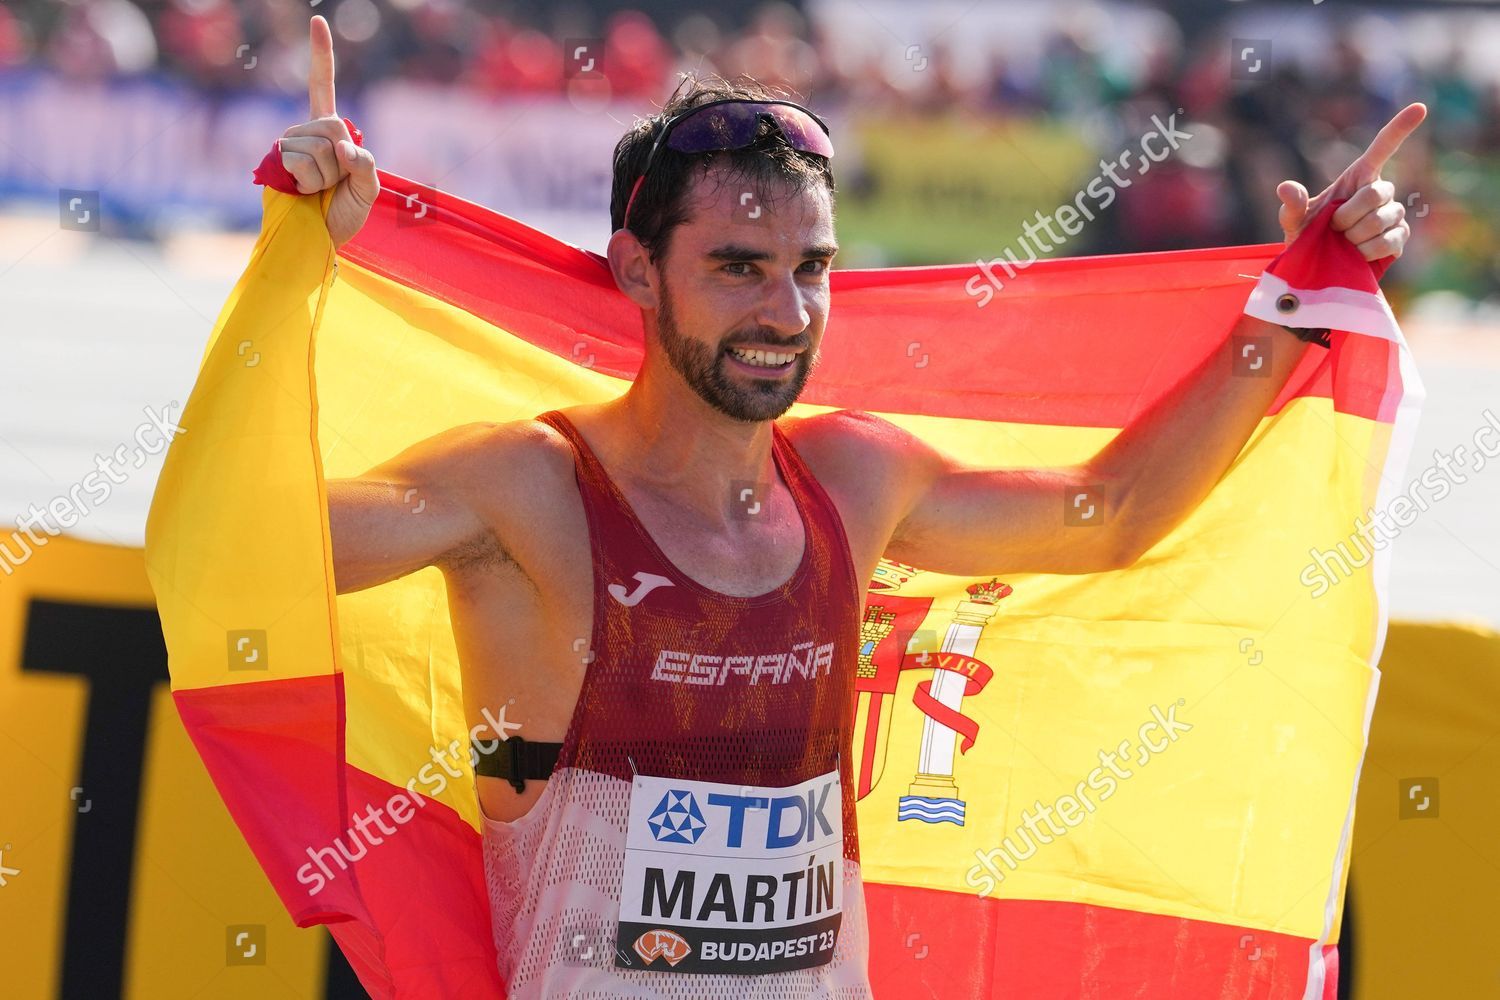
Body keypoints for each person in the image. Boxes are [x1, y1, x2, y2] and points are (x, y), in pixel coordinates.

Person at [274, 14, 1422, 997]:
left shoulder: (856, 481)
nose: (785, 311)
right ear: (634, 270)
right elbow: (256, 550)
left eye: (809, 268)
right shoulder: (526, 489)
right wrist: (298, 267)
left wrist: (1286, 312)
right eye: (737, 266)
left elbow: (1110, 512)